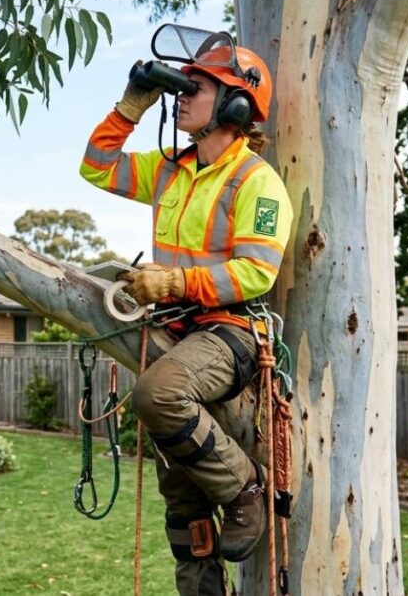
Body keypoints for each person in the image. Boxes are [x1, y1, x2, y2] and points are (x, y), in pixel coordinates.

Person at [79, 41, 292, 595]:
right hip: (176, 330)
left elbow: (256, 273)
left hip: (231, 331)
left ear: (235, 105)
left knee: (159, 395)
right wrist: (132, 104)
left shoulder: (256, 181)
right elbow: (95, 167)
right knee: (179, 496)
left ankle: (245, 490)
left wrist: (174, 282)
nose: (181, 95)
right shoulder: (170, 170)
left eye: (194, 87)